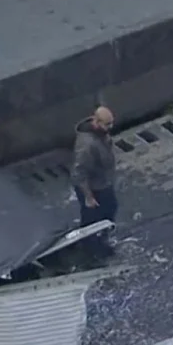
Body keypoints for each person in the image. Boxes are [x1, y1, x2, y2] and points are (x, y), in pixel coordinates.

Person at [70, 106, 117, 257]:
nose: (111, 127)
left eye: (111, 123)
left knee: (109, 208)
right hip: (92, 187)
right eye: (107, 124)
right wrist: (88, 197)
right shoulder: (87, 145)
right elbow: (80, 173)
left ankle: (100, 239)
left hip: (102, 182)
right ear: (96, 122)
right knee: (91, 218)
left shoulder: (100, 134)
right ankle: (91, 249)